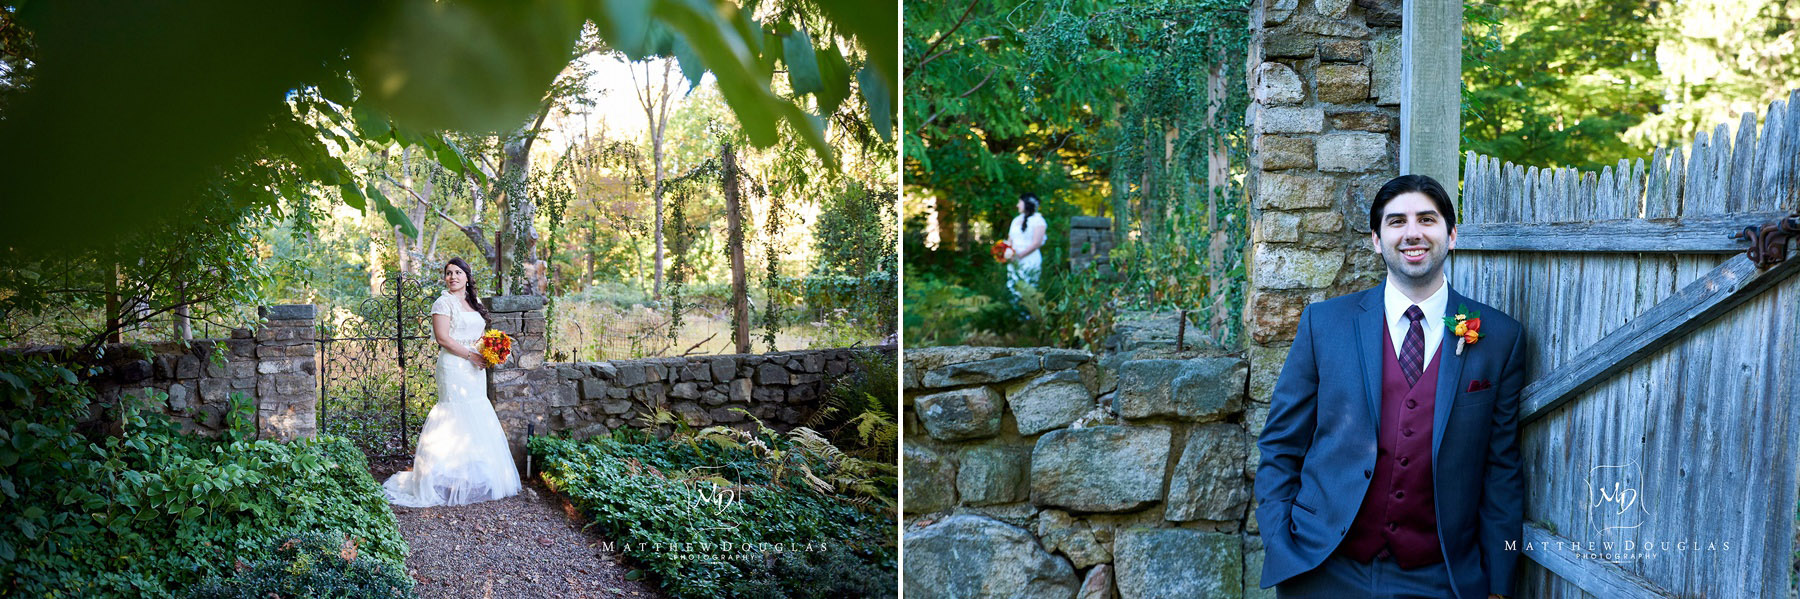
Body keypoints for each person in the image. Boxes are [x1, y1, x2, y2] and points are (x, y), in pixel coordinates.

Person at [1254, 174, 1524, 599]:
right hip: (1323, 569)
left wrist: (1497, 585)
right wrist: (1281, 544)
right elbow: (1281, 446)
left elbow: (1501, 469)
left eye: (1427, 220)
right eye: (1396, 221)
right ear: (1377, 240)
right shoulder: (1324, 325)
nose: (1412, 233)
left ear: (1451, 235)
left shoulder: (1500, 337)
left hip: (1439, 576)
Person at [383, 258, 522, 507]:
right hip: (454, 366)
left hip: (475, 367)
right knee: (454, 413)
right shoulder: (443, 302)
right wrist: (471, 355)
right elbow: (443, 338)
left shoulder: (475, 303)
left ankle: (468, 477)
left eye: (458, 272)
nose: (453, 277)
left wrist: (492, 351)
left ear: (467, 277)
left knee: (476, 412)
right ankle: (441, 477)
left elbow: (480, 336)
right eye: (449, 273)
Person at [1001, 192, 1047, 299]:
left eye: (1019, 202)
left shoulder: (1039, 221)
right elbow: (1010, 240)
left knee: (1028, 288)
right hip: (1014, 260)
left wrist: (1020, 255)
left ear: (1027, 204)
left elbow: (1036, 243)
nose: (1017, 205)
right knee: (1014, 287)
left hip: (1029, 259)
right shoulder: (1016, 220)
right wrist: (1008, 253)